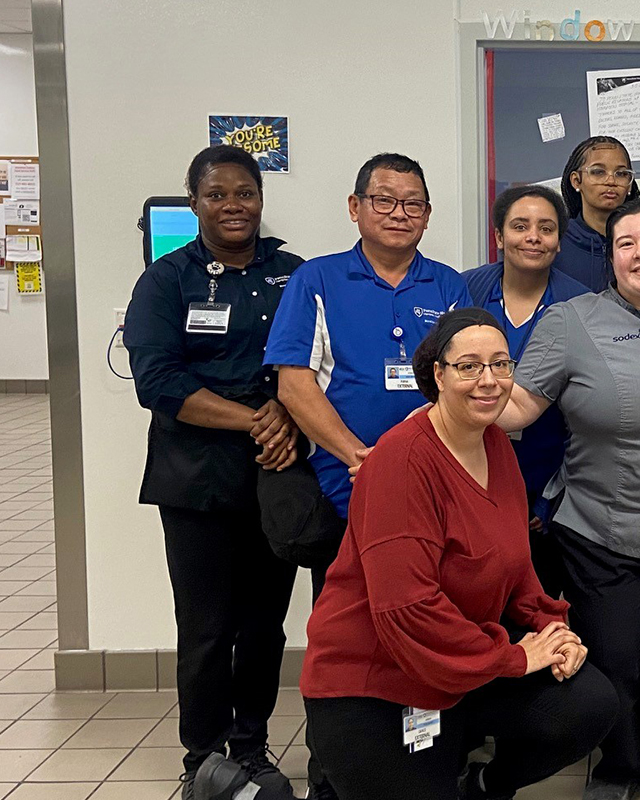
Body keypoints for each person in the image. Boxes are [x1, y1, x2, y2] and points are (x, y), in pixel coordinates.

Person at [301, 308, 618, 800]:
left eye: (501, 365)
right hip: (379, 679)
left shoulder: (496, 447)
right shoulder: (401, 462)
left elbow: (515, 566)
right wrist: (513, 658)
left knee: (590, 704)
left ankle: (487, 785)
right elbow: (408, 610)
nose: (489, 381)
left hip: (464, 657)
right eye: (469, 366)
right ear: (438, 375)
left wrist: (551, 630)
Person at [498, 199, 640, 800]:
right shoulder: (572, 321)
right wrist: (444, 414)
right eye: (625, 243)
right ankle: (619, 768)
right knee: (614, 663)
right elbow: (520, 406)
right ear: (612, 259)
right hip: (601, 529)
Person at [264, 152, 471, 799]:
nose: (399, 213)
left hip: (433, 505)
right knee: (350, 649)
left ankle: (426, 766)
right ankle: (334, 776)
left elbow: (468, 382)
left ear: (428, 214)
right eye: (384, 200)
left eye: (412, 203)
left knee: (427, 637)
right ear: (355, 208)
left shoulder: (448, 287)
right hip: (346, 499)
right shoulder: (318, 280)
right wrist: (362, 457)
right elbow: (294, 381)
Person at [124, 145, 302, 800]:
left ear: (261, 198)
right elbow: (159, 382)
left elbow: (315, 362)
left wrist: (287, 414)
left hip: (277, 476)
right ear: (194, 201)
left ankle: (251, 747)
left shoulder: (291, 274)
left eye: (245, 192)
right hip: (196, 480)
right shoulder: (166, 281)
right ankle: (202, 753)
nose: (234, 205)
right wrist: (256, 419)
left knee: (265, 625)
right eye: (218, 194)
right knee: (206, 626)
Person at [462, 185, 589, 598]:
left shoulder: (582, 306)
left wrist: (548, 497)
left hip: (546, 487)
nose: (533, 236)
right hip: (470, 484)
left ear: (558, 241)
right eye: (520, 226)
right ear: (499, 236)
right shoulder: (465, 293)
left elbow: (587, 415)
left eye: (546, 228)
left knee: (539, 608)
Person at [556, 135, 640, 292]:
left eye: (621, 174)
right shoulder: (556, 241)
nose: (610, 181)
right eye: (598, 172)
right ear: (576, 180)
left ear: (629, 185)